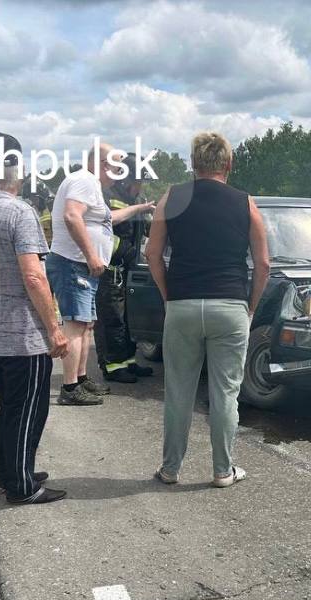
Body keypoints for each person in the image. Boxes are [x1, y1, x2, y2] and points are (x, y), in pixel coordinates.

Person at [146, 132, 270, 488]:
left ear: (193, 164)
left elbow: (153, 255)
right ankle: (222, 470)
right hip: (230, 304)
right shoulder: (246, 203)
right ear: (228, 164)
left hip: (183, 303)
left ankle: (170, 469)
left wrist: (169, 295)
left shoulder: (173, 197)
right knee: (225, 391)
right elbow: (263, 264)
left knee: (179, 391)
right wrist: (250, 306)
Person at [0, 133, 70, 505]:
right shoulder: (20, 213)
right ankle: (21, 486)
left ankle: (12, 471)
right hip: (23, 336)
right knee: (28, 411)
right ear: (16, 170)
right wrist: (54, 328)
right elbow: (34, 275)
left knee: (10, 407)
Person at [45, 142, 140, 405]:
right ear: (103, 164)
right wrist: (91, 255)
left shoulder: (92, 186)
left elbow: (110, 217)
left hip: (84, 267)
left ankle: (82, 378)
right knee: (75, 326)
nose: (119, 174)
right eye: (117, 168)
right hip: (74, 263)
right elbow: (72, 216)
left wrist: (141, 208)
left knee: (86, 326)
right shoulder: (84, 180)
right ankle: (70, 387)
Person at [95, 165, 156, 384]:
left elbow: (143, 229)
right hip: (110, 268)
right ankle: (113, 367)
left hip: (126, 268)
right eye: (138, 182)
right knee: (112, 319)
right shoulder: (107, 197)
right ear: (125, 179)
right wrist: (128, 252)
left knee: (126, 319)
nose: (140, 187)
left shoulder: (135, 199)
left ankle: (128, 361)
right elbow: (103, 233)